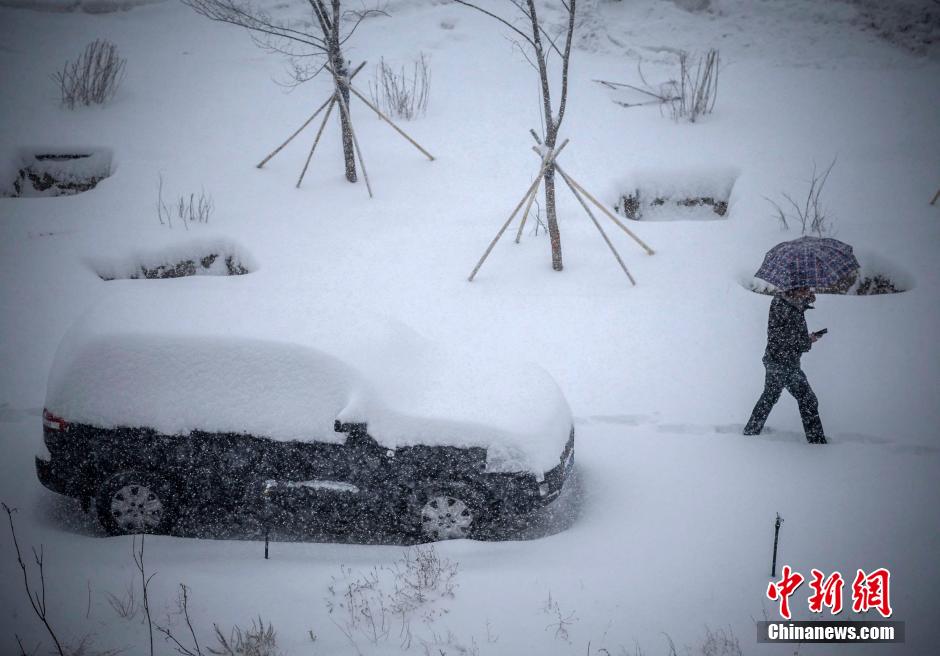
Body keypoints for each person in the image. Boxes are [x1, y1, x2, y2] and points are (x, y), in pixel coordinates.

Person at [744, 287, 827, 444]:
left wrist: (806, 300)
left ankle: (751, 431)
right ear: (797, 290)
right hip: (785, 364)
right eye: (806, 289)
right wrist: (808, 340)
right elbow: (789, 340)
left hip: (776, 360)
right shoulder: (787, 307)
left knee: (769, 397)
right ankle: (817, 442)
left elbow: (787, 336)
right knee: (808, 400)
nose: (809, 291)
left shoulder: (783, 302)